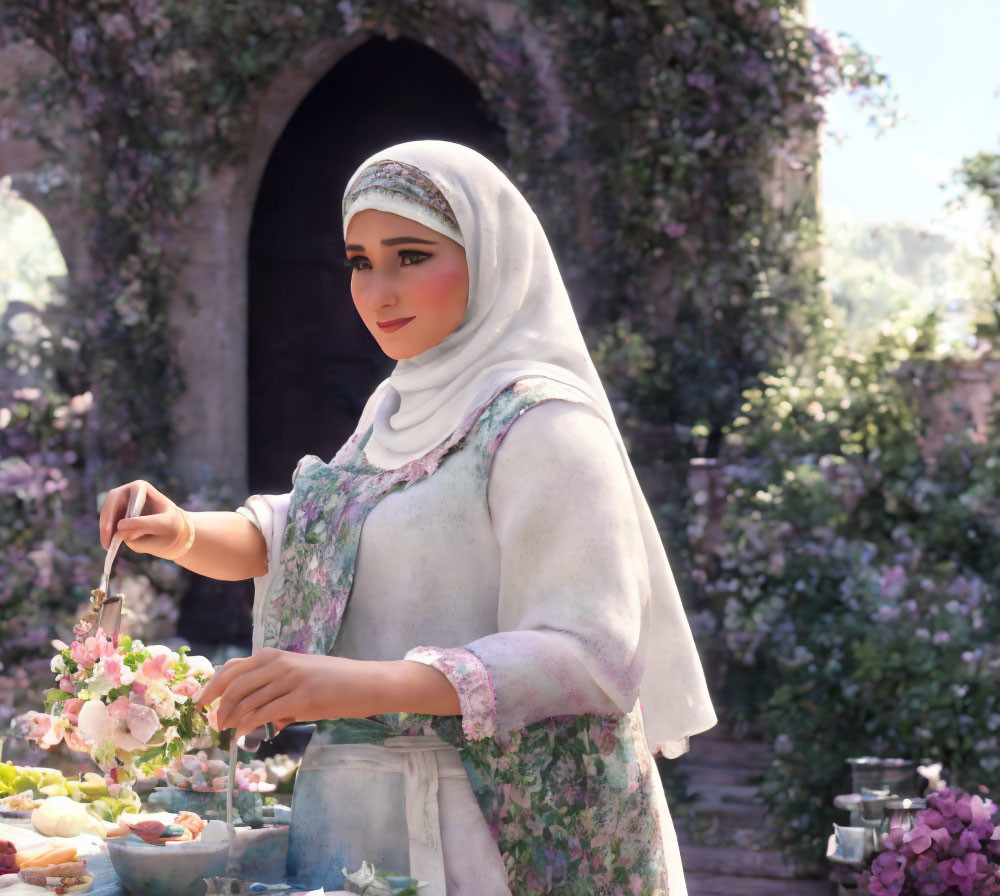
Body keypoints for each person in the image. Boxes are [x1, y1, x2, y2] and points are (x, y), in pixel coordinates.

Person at [99, 140, 717, 895]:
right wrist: (183, 531)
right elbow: (319, 533)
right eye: (360, 261)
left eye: (412, 256)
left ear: (489, 257)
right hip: (371, 819)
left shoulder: (547, 425)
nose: (378, 291)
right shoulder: (394, 408)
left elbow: (593, 655)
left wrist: (364, 683)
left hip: (508, 835)